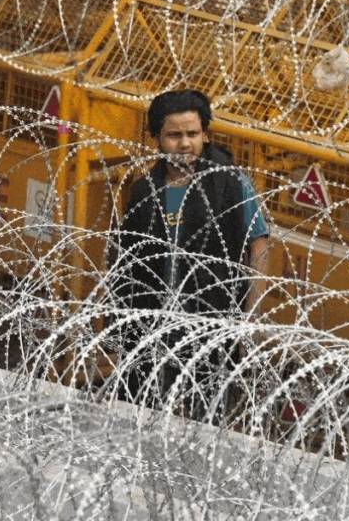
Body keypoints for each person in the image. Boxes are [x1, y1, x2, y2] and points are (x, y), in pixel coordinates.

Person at [110, 89, 269, 414]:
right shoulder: (145, 191)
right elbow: (128, 261)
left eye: (193, 134)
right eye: (174, 135)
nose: (185, 144)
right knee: (143, 412)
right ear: (156, 138)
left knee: (204, 418)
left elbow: (259, 245)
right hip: (152, 322)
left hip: (210, 322)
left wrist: (250, 319)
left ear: (205, 134)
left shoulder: (229, 183)